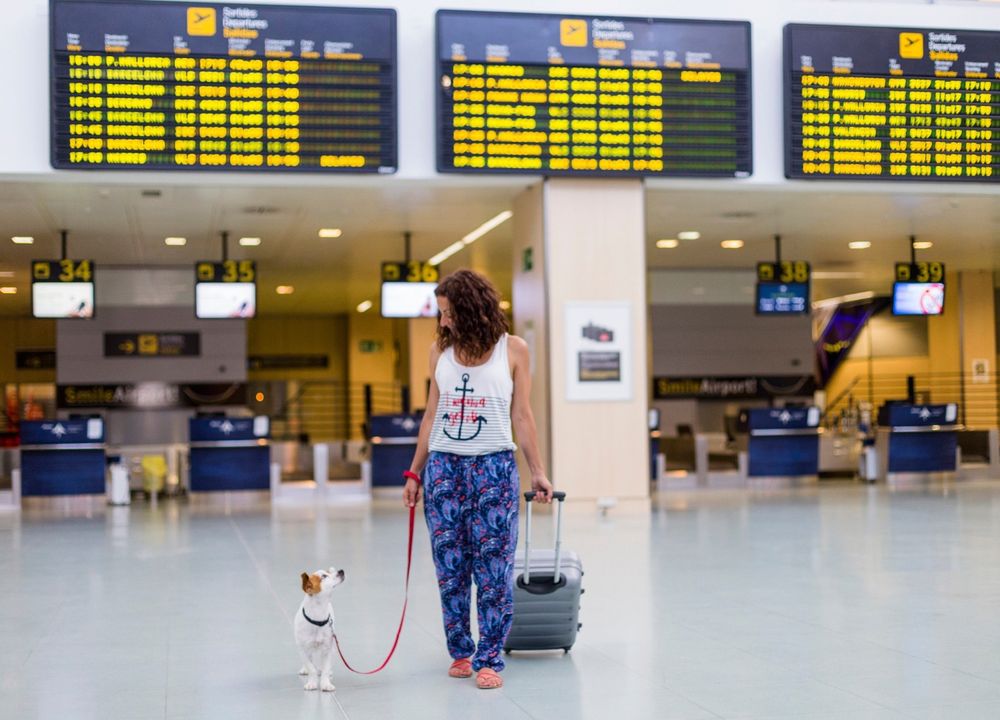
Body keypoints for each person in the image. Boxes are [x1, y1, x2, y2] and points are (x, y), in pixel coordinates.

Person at [403, 268, 552, 690]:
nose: (443, 320)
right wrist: (415, 471)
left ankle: (489, 656)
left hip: (494, 468)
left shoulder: (514, 350)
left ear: (470, 309)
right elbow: (431, 415)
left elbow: (522, 417)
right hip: (444, 470)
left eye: (449, 312)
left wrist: (537, 470)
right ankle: (461, 650)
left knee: (493, 568)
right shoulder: (439, 352)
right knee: (451, 567)